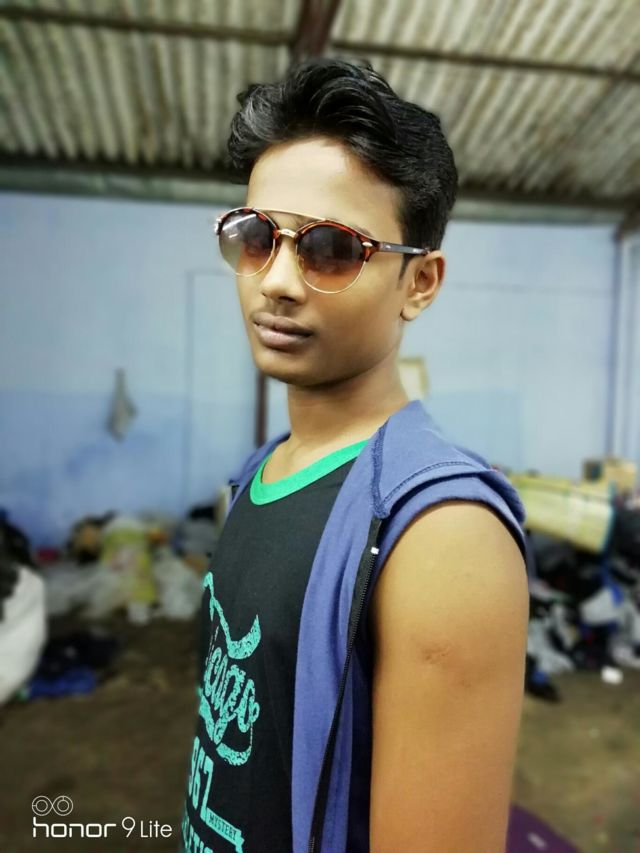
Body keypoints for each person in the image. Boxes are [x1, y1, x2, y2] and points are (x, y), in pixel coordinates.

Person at [181, 58, 529, 853]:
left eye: (332, 249)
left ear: (420, 282)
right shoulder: (259, 474)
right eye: (256, 237)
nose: (276, 281)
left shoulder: (442, 539)